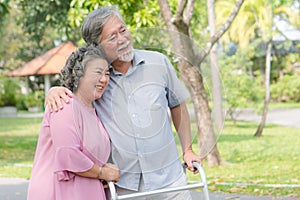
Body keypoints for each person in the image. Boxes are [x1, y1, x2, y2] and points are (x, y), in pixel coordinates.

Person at [45, 6, 201, 200]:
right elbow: (75, 95)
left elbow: (177, 105)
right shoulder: (97, 79)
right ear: (97, 46)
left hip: (170, 181)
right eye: (112, 37)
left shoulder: (159, 63)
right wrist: (55, 90)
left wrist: (187, 150)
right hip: (123, 186)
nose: (122, 39)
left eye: (123, 30)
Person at [27, 44, 120, 200]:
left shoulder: (94, 111)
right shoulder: (64, 103)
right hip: (61, 193)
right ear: (79, 74)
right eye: (98, 72)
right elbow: (68, 154)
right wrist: (103, 172)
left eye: (107, 73)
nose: (104, 79)